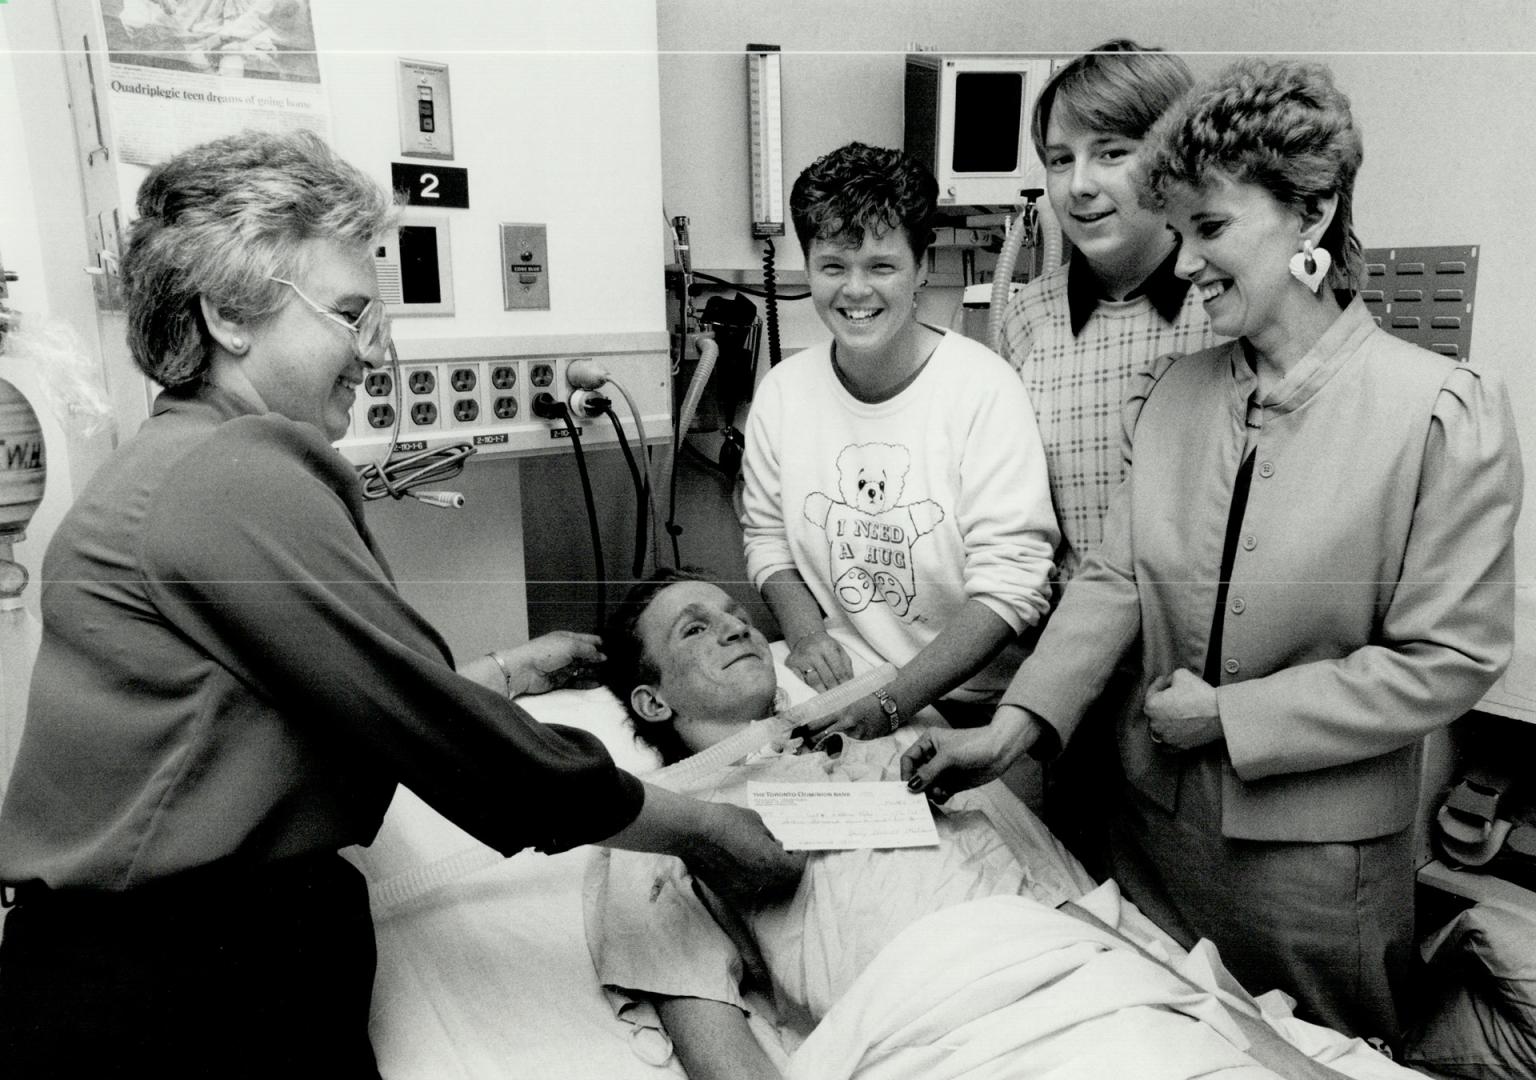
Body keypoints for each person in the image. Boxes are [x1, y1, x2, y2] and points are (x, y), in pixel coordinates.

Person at [0, 130, 802, 1078]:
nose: (378, 353)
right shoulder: (235, 470)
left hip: (171, 967)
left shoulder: (171, 464)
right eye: (349, 314)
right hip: (181, 992)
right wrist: (704, 831)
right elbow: (451, 744)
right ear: (228, 314)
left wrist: (505, 673)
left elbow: (302, 713)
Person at [903, 58, 1523, 1047]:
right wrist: (1013, 730)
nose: (1185, 262)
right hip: (1145, 838)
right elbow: (1112, 580)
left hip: (1311, 873)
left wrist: (1231, 716)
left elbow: (1447, 661)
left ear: (1312, 214)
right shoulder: (1173, 396)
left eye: (1213, 229)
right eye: (1180, 232)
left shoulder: (1440, 413)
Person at [590, 568, 1381, 1080]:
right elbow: (716, 1045)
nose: (734, 626)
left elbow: (1077, 920)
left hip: (1076, 981)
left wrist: (1293, 1063)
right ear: (654, 701)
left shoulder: (903, 743)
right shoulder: (656, 829)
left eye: (734, 613)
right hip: (928, 1028)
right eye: (693, 629)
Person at [740, 142, 1059, 742]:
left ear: (919, 268)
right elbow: (767, 537)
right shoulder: (783, 394)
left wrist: (893, 703)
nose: (855, 290)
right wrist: (808, 637)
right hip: (847, 688)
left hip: (977, 708)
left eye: (881, 266)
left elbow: (1013, 585)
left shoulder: (982, 391)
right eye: (833, 266)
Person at [996, 39, 1219, 876]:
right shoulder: (1025, 318)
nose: (1078, 184)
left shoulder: (1225, 305)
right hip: (1068, 685)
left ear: (1175, 160)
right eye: (1059, 159)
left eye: (1112, 153)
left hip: (1190, 687)